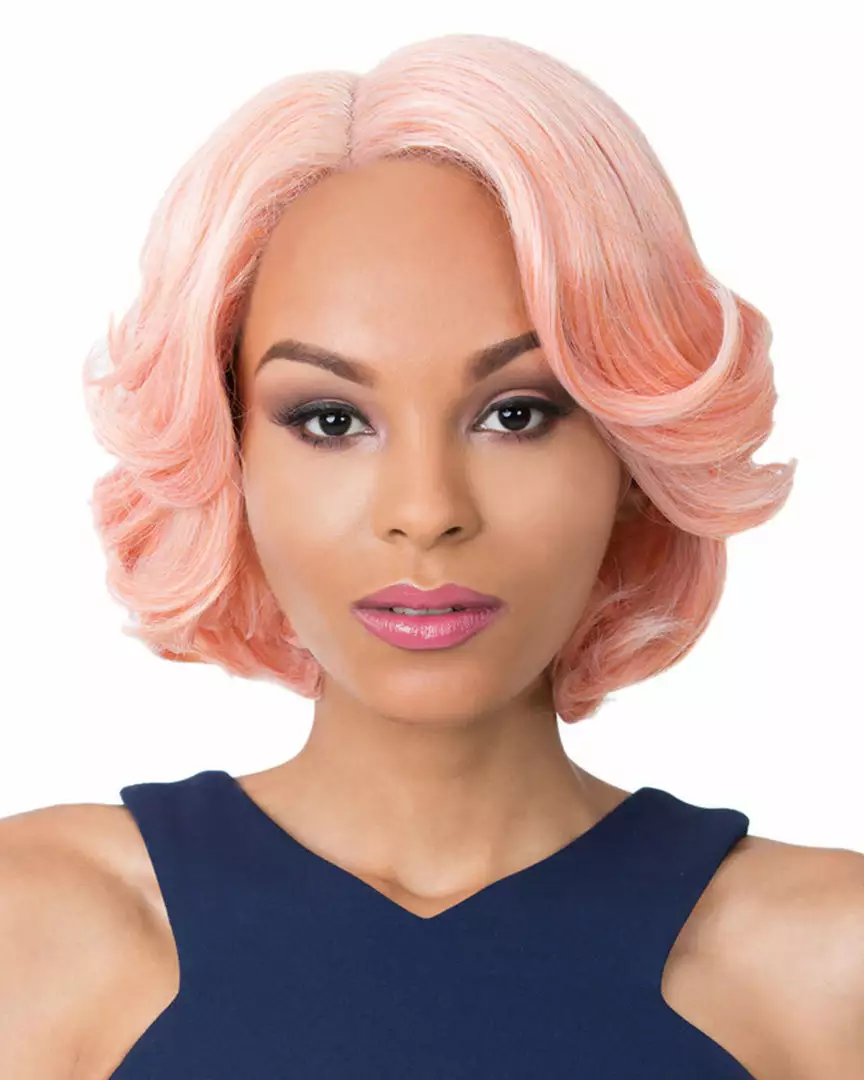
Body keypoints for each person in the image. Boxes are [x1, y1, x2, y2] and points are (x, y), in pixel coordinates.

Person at [3, 31, 862, 1080]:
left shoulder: (828, 964)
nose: (426, 512)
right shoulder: (36, 930)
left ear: (634, 453)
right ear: (226, 451)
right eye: (330, 420)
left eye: (516, 413)